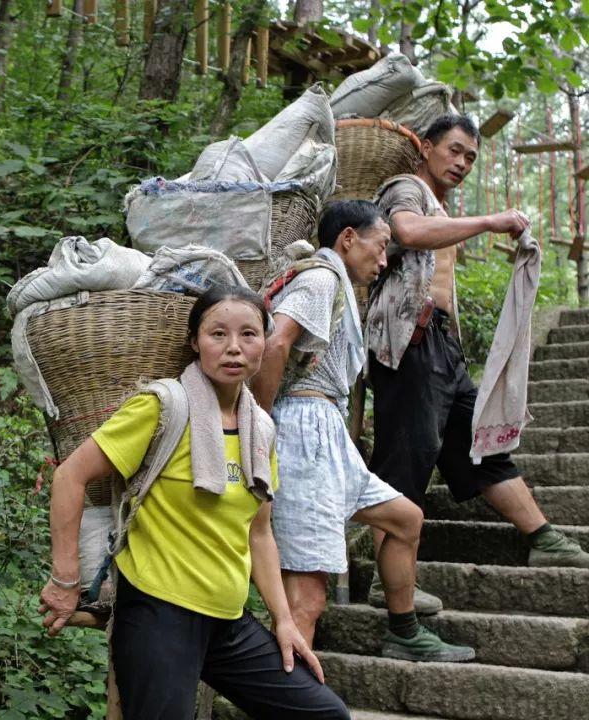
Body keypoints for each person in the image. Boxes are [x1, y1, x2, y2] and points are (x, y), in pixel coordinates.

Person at [38, 285, 350, 720]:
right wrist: (65, 579)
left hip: (228, 622)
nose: (234, 347)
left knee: (324, 714)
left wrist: (283, 619)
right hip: (158, 615)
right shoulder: (163, 407)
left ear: (265, 341)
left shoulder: (260, 429)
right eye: (217, 334)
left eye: (248, 334)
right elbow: (69, 476)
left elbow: (259, 534)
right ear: (194, 342)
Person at [365, 114, 589, 605]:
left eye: (470, 156)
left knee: (481, 443)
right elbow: (405, 230)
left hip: (442, 347)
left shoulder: (440, 207)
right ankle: (388, 582)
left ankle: (543, 539)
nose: (463, 163)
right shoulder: (405, 188)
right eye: (455, 150)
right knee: (406, 457)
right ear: (426, 148)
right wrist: (490, 221)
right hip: (408, 344)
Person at [251, 200, 474, 663]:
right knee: (307, 600)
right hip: (303, 434)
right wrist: (261, 424)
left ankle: (404, 631)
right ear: (348, 238)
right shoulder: (320, 279)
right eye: (380, 245)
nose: (384, 259)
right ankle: (287, 694)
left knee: (406, 518)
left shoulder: (333, 283)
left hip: (325, 433)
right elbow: (275, 344)